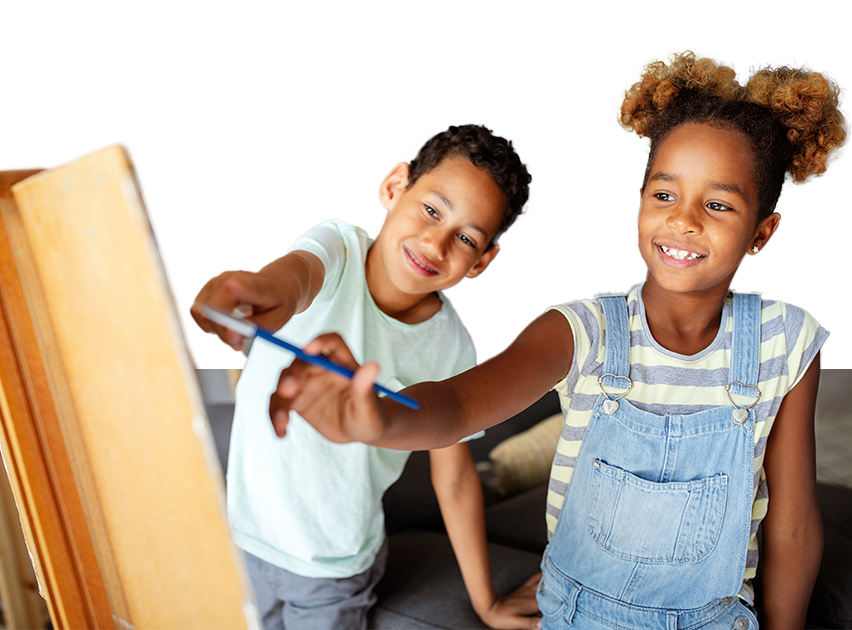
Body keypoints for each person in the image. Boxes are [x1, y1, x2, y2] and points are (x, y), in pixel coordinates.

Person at [270, 51, 849, 630]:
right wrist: (380, 421)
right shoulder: (581, 332)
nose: (683, 221)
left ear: (761, 232)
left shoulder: (787, 343)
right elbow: (460, 403)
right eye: (664, 195)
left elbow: (794, 524)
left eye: (718, 204)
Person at [190, 123, 542, 630]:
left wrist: (485, 601)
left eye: (465, 237)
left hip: (333, 571)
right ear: (395, 186)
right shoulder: (336, 249)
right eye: (431, 209)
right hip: (237, 538)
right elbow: (293, 277)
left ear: (481, 261)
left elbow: (456, 478)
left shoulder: (452, 349)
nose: (435, 242)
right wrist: (260, 289)